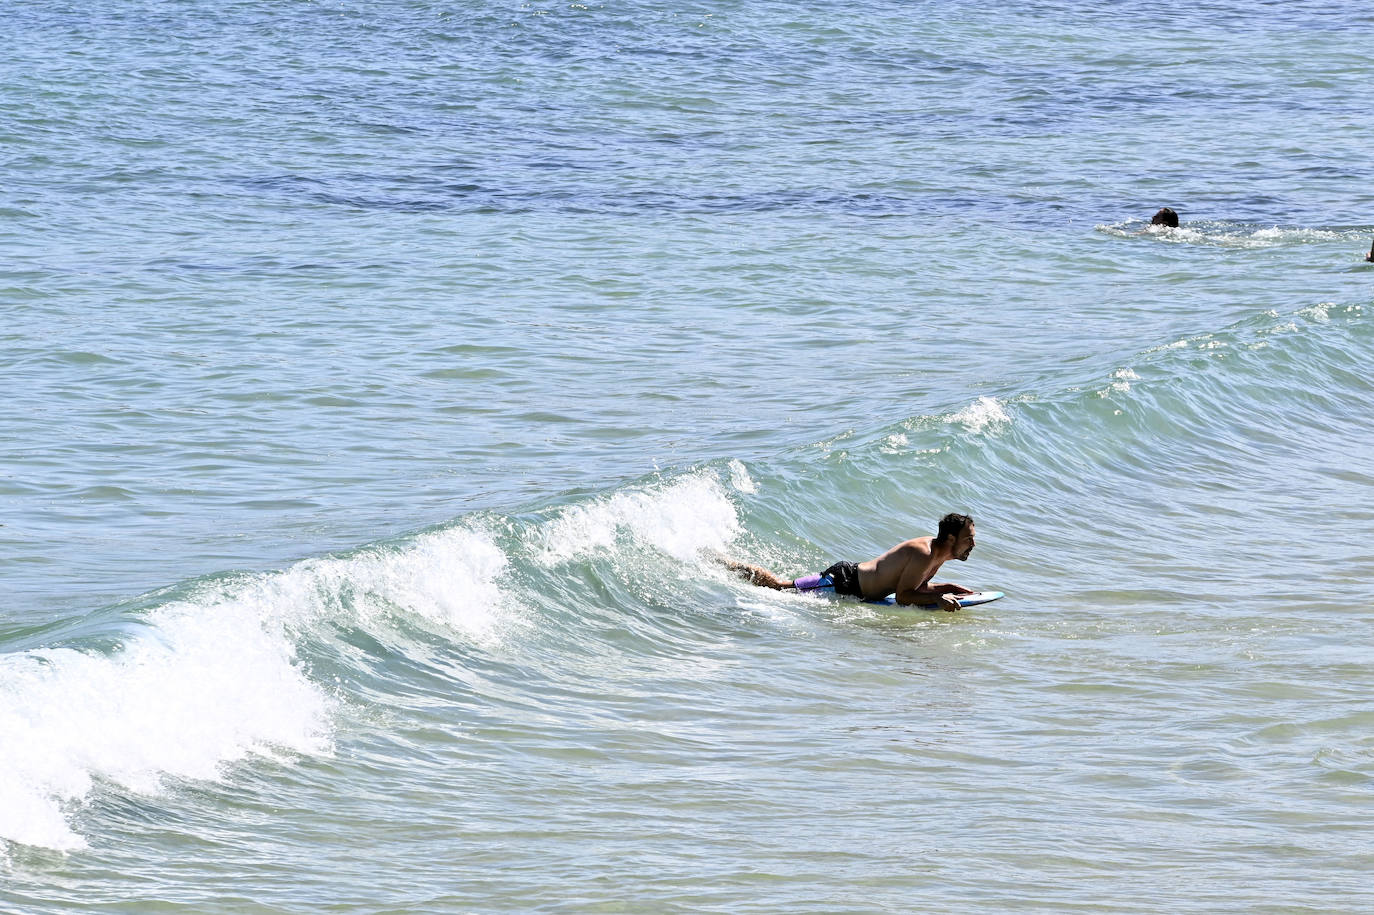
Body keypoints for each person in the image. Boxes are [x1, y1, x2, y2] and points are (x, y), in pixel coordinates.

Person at [722, 513, 979, 611]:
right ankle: (725, 564)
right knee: (778, 588)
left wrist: (948, 588)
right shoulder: (924, 553)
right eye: (968, 539)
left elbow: (913, 587)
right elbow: (903, 597)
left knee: (781, 587)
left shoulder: (939, 555)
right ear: (950, 538)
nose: (973, 544)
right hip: (843, 583)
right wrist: (938, 598)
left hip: (855, 584)